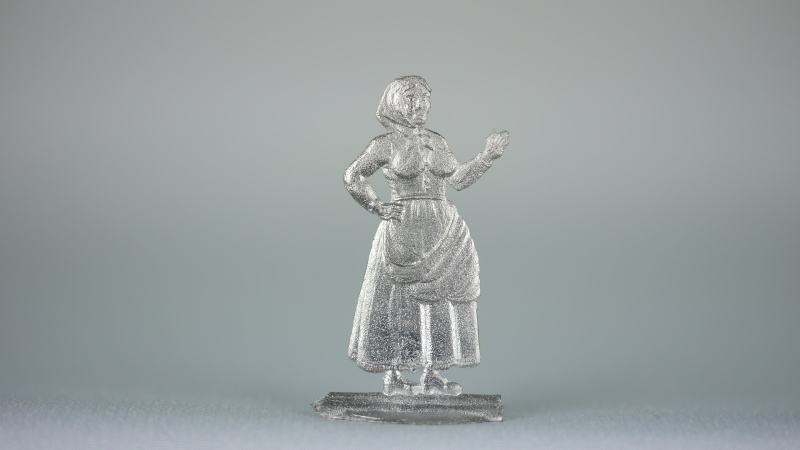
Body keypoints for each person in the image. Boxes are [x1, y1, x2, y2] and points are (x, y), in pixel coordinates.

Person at [344, 75, 509, 396]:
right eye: (411, 98)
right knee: (397, 299)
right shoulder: (384, 144)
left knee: (443, 298)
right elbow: (353, 175)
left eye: (424, 99)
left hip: (444, 225)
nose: (419, 105)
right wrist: (376, 205)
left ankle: (432, 372)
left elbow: (458, 180)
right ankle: (393, 376)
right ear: (394, 103)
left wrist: (487, 156)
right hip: (403, 225)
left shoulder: (437, 141)